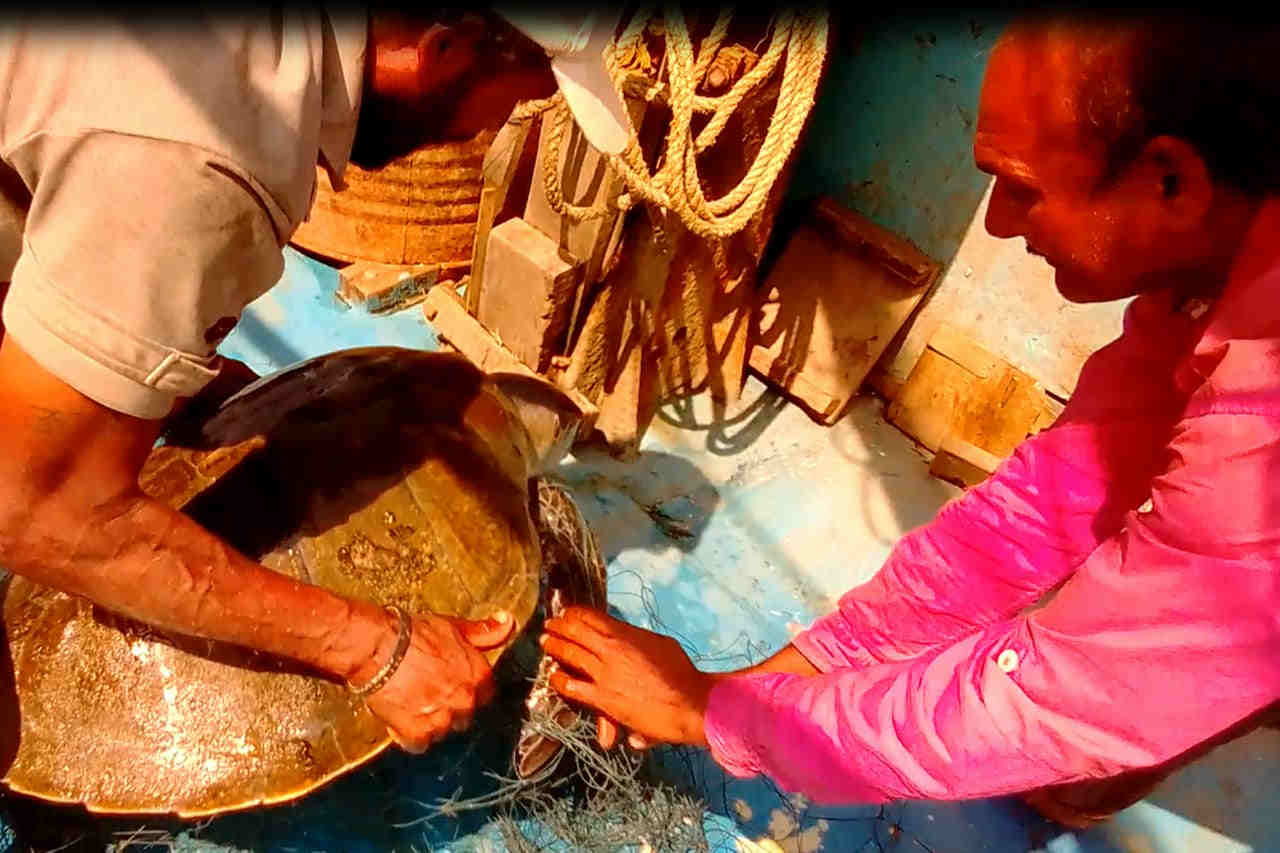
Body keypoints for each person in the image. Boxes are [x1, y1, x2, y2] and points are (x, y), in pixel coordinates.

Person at [538, 10, 1280, 827]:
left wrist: (711, 718)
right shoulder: (1214, 278)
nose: (996, 223)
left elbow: (1053, 691)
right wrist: (760, 687)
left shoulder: (1261, 427)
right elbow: (1048, 503)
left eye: (1020, 187)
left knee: (1120, 701)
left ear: (1171, 182)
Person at [0, 7, 630, 756]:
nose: (491, 135)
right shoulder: (206, 149)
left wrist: (133, 347)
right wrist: (371, 648)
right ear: (439, 50)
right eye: (517, 101)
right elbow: (32, 509)